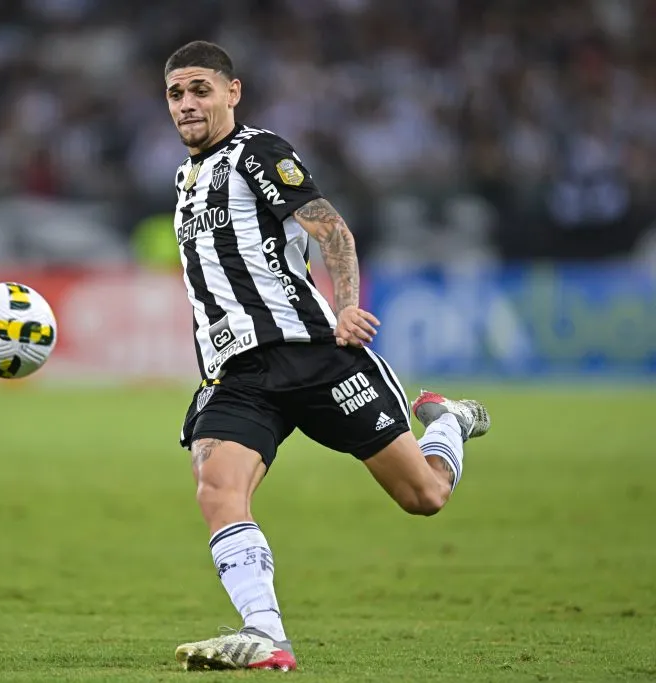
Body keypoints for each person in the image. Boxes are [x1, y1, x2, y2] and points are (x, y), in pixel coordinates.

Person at [164, 40, 491, 672]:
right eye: (176, 93)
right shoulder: (186, 179)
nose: (187, 103)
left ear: (233, 93)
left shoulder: (256, 153)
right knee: (216, 486)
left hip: (315, 354)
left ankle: (447, 420)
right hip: (240, 374)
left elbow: (330, 229)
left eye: (200, 88)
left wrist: (345, 306)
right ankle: (266, 634)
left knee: (423, 496)